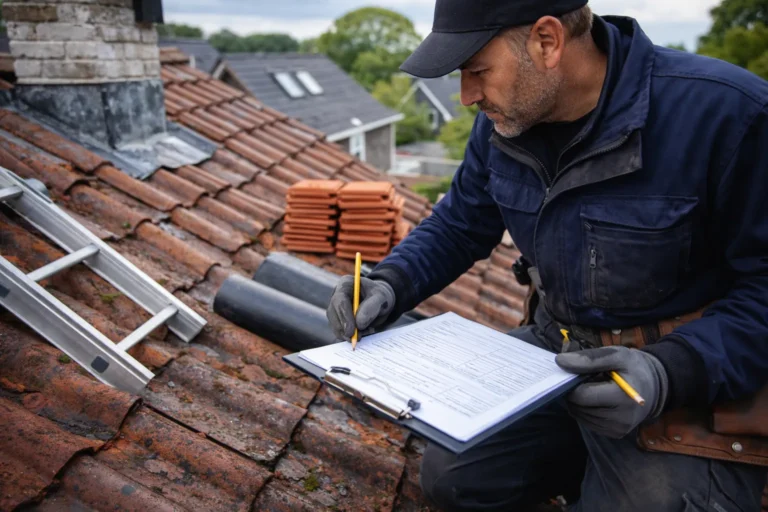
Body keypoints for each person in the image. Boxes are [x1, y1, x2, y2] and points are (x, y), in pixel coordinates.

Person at [325, 0, 768, 510]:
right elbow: (462, 222)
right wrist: (392, 281)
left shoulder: (729, 115)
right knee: (454, 479)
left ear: (547, 41)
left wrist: (669, 373)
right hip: (555, 356)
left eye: (477, 71)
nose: (467, 96)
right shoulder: (505, 121)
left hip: (679, 383)